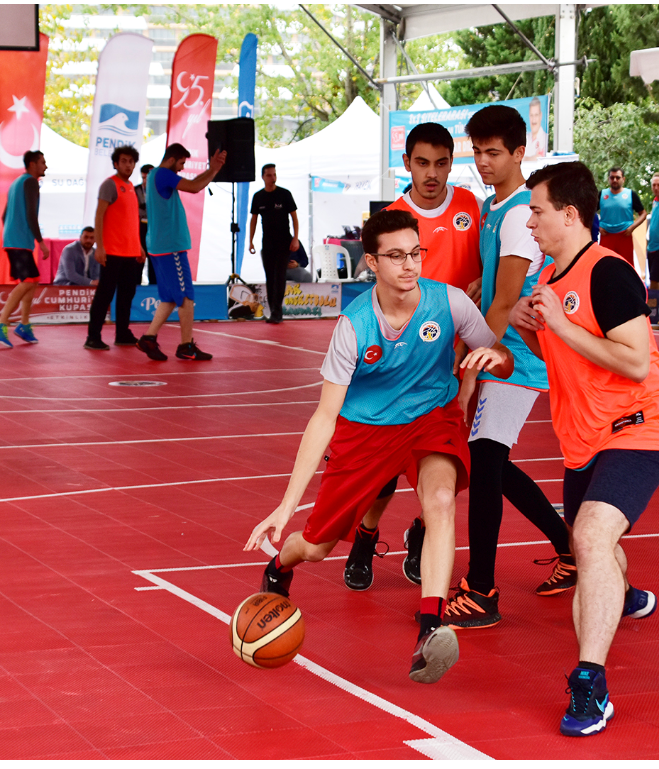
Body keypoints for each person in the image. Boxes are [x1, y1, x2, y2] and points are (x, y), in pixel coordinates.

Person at [243, 209, 514, 684]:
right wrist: (285, 506)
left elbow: (501, 357)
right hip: (365, 432)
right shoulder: (353, 326)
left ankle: (430, 626)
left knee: (441, 501)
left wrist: (496, 358)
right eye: (395, 256)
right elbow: (325, 416)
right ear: (370, 261)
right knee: (316, 546)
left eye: (415, 253)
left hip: (433, 418)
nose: (409, 265)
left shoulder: (450, 303)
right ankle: (279, 566)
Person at [508, 160, 659, 738]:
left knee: (587, 538)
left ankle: (591, 685)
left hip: (639, 429)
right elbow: (564, 358)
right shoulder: (549, 283)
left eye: (536, 211)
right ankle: (624, 596)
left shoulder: (608, 274)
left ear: (569, 214)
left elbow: (634, 361)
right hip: (583, 440)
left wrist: (557, 325)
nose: (529, 221)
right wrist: (524, 333)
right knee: (595, 552)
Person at [439, 104, 577, 630]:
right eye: (476, 152)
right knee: (488, 465)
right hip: (505, 351)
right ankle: (568, 547)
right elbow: (493, 288)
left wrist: (471, 364)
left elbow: (506, 300)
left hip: (515, 355)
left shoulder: (521, 212)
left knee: (485, 462)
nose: (483, 161)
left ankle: (481, 589)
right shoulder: (498, 208)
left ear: (520, 152)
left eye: (493, 152)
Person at [341, 121, 485, 592]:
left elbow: (483, 269)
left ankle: (423, 534)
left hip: (456, 365)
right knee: (382, 475)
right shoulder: (393, 218)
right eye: (422, 163)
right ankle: (365, 536)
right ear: (406, 164)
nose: (432, 173)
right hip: (401, 368)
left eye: (441, 163)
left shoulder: (469, 206)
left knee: (445, 472)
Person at [135, 142, 226, 361]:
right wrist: (213, 169)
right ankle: (186, 346)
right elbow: (194, 187)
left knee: (169, 298)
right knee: (185, 296)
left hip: (160, 246)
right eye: (181, 163)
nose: (181, 168)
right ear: (172, 158)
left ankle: (148, 337)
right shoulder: (163, 174)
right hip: (170, 247)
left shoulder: (155, 176)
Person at [85, 145, 145, 351]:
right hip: (111, 251)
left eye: (131, 161)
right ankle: (93, 336)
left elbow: (132, 221)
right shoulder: (110, 185)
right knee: (105, 295)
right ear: (116, 163)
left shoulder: (131, 188)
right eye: (124, 161)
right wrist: (99, 247)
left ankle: (122, 333)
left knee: (127, 294)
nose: (128, 165)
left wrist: (139, 247)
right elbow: (99, 216)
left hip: (130, 252)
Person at [0, 150, 49, 347]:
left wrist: (13, 233)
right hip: (19, 241)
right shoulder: (30, 182)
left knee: (32, 281)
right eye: (42, 162)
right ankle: (0, 323)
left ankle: (23, 324)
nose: (45, 166)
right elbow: (32, 214)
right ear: (32, 164)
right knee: (28, 281)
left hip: (15, 239)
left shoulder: (16, 183)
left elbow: (4, 216)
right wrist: (40, 242)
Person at [249, 163, 300, 324]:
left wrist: (295, 238)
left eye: (274, 175)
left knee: (280, 276)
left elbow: (294, 217)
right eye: (269, 175)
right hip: (268, 243)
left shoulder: (284, 194)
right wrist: (250, 241)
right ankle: (273, 311)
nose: (272, 178)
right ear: (263, 177)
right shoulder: (258, 197)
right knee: (270, 277)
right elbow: (254, 220)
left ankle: (277, 311)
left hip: (284, 242)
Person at [597, 167, 646, 266]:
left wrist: (632, 227)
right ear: (608, 179)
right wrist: (598, 227)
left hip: (624, 235)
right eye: (612, 177)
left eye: (617, 177)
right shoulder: (602, 194)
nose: (615, 180)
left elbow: (643, 213)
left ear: (623, 179)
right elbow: (589, 213)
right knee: (605, 265)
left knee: (626, 266)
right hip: (606, 236)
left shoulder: (630, 194)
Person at [137, 163, 156, 284]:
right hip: (140, 227)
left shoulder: (158, 190)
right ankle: (136, 288)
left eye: (148, 178)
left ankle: (154, 287)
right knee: (138, 260)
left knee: (154, 260)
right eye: (144, 178)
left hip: (154, 229)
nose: (146, 181)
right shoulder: (135, 190)